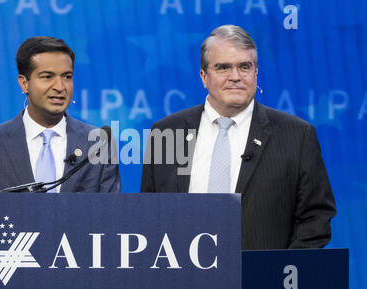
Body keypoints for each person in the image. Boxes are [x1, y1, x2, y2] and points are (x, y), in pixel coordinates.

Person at [140, 25, 336, 250]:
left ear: (255, 73)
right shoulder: (167, 132)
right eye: (223, 68)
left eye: (244, 66)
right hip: (182, 280)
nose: (235, 77)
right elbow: (149, 215)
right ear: (204, 77)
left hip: (263, 280)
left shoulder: (297, 135)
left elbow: (316, 217)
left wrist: (281, 274)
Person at [0, 36, 120, 193]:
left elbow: (112, 214)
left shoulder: (99, 144)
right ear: (24, 83)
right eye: (47, 77)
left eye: (67, 77)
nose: (60, 86)